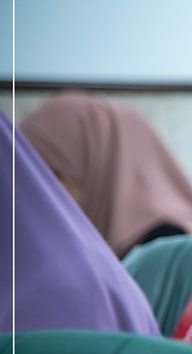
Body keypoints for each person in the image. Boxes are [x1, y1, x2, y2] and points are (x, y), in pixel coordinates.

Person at [1, 109, 159, 335]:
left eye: (54, 175)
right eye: (35, 172)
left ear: (98, 167)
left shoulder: (67, 292)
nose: (43, 190)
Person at [18, 91, 192, 258]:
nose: (40, 192)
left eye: (54, 175)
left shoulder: (166, 247)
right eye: (30, 178)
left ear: (99, 168)